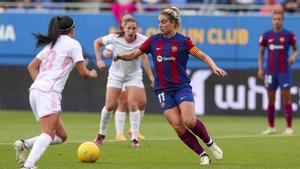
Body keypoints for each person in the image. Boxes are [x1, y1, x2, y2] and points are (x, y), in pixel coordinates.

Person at [114, 7, 226, 165]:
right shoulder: (153, 40)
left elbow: (202, 55)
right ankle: (202, 155)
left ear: (173, 23)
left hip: (181, 87)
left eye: (164, 22)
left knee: (189, 121)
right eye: (159, 22)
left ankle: (210, 144)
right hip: (163, 91)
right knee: (178, 127)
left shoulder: (183, 41)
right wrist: (120, 56)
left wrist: (213, 67)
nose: (160, 25)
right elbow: (134, 53)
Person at [14, 16, 98, 169]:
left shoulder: (51, 45)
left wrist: (38, 83)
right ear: (72, 29)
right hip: (48, 92)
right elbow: (83, 73)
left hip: (36, 91)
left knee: (61, 136)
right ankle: (28, 166)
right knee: (48, 133)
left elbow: (31, 67)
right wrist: (92, 73)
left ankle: (24, 144)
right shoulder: (73, 44)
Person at [94, 18, 152, 147]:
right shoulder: (114, 37)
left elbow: (151, 51)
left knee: (132, 104)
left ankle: (135, 138)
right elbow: (97, 42)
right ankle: (101, 134)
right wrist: (99, 60)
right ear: (123, 28)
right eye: (128, 28)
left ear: (137, 29)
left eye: (134, 28)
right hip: (116, 75)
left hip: (134, 75)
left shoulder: (143, 39)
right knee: (109, 106)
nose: (131, 31)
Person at [258, 11, 298, 136]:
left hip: (284, 71)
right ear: (272, 20)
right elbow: (261, 54)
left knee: (286, 98)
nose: (277, 21)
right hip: (270, 72)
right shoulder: (266, 35)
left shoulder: (289, 35)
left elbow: (296, 49)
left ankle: (289, 127)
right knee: (270, 99)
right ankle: (271, 127)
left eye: (279, 19)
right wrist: (260, 68)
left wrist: (293, 56)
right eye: (275, 19)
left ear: (283, 20)